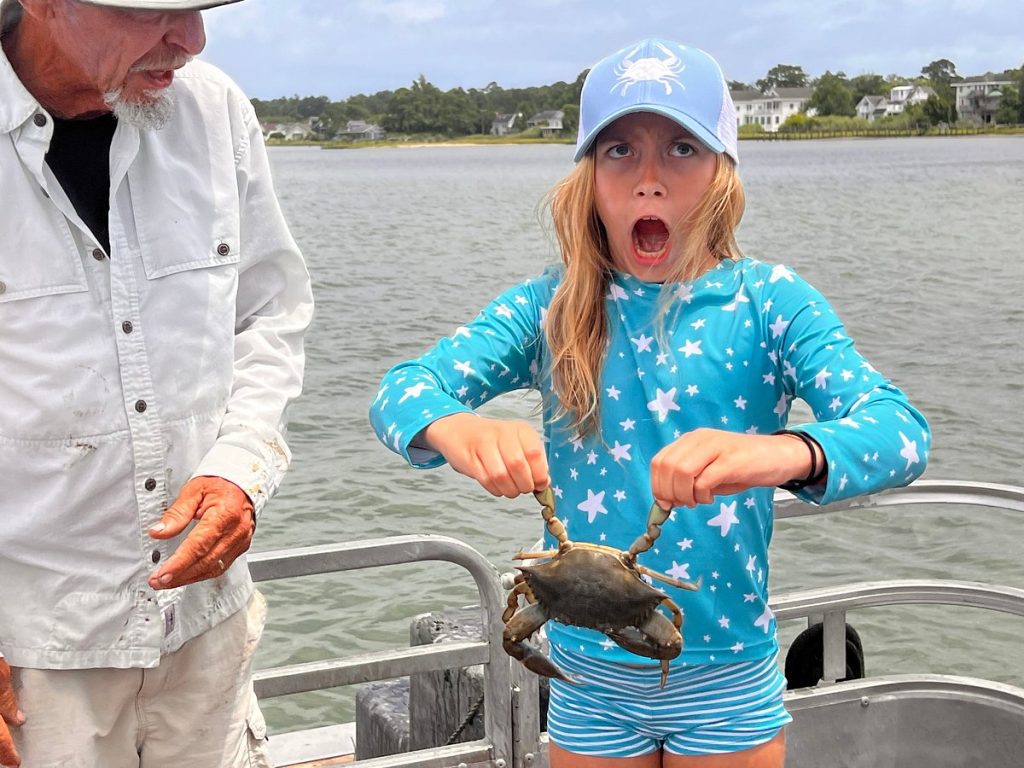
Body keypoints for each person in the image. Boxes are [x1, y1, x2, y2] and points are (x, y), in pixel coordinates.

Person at [369, 37, 929, 768]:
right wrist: (450, 425)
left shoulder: (773, 303)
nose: (650, 180)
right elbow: (400, 390)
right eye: (620, 152)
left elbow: (902, 434)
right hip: (587, 677)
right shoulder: (550, 305)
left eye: (682, 149)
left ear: (724, 172)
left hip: (728, 676)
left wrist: (785, 451)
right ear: (589, 178)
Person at [0, 0, 313, 765]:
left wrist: (239, 471)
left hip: (206, 628)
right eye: (156, 12)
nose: (193, 38)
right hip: (29, 655)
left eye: (199, 9)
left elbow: (269, 313)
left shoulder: (216, 111)